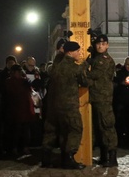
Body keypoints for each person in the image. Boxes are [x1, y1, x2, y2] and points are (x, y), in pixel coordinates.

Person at [40, 41, 89, 169]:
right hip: (69, 105)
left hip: (53, 105)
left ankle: (46, 158)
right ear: (70, 52)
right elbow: (84, 82)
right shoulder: (74, 67)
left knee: (52, 130)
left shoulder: (56, 66)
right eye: (77, 51)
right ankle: (69, 158)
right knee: (75, 128)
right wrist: (85, 65)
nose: (79, 53)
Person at [87, 34, 118, 167]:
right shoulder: (97, 57)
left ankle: (112, 157)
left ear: (107, 45)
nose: (100, 46)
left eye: (103, 43)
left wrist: (83, 67)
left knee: (107, 126)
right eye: (98, 44)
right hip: (97, 96)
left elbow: (94, 74)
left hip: (103, 98)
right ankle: (104, 156)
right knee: (99, 127)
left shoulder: (105, 59)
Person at [2, 64, 36, 156]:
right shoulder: (10, 82)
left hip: (22, 108)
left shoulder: (22, 81)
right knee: (17, 130)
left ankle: (21, 147)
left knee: (23, 129)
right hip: (17, 108)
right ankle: (17, 148)